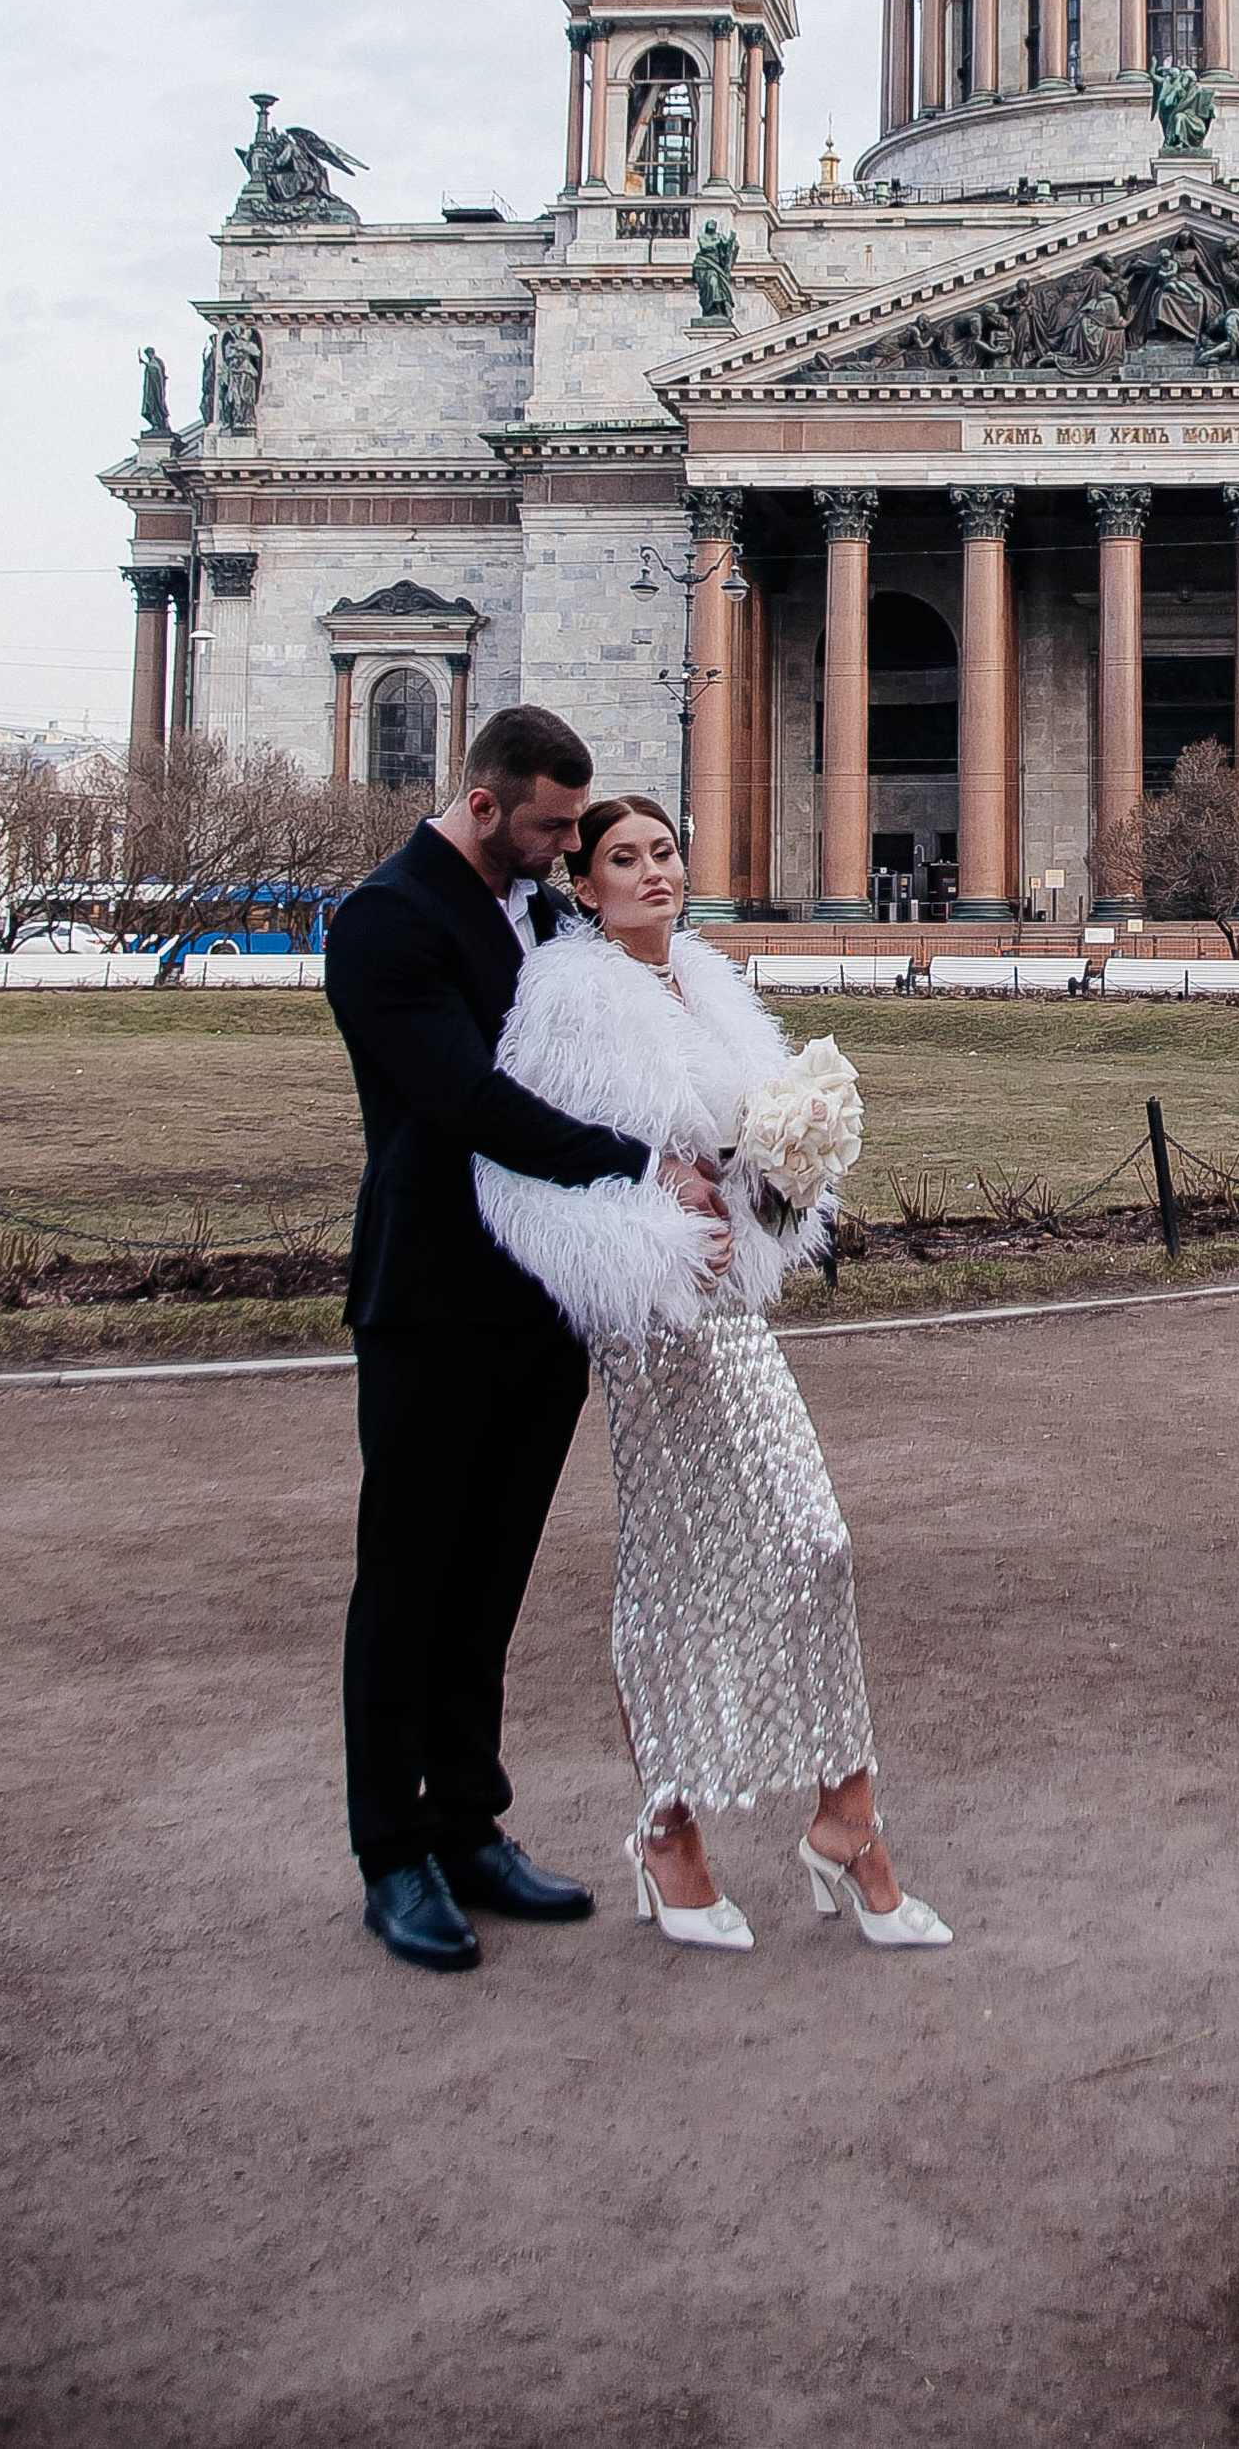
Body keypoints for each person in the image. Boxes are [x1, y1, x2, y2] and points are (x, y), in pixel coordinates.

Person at [478, 794, 950, 1957]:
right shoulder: (567, 997)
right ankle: (705, 1831)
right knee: (700, 1565)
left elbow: (741, 1153)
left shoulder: (705, 980)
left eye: (663, 853)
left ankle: (824, 1819)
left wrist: (783, 1178)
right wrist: (662, 1224)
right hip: (653, 1318)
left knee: (797, 1549)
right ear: (580, 886)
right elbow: (531, 1167)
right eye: (622, 859)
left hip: (730, 1311)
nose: (652, 873)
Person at [326, 704, 727, 1974]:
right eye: (552, 828)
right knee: (407, 1583)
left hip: (543, 1294)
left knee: (489, 1574)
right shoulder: (388, 919)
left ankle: (470, 1826)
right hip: (434, 1295)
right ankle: (394, 1853)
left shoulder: (545, 912)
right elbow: (469, 1100)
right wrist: (638, 1166)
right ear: (486, 803)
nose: (568, 850)